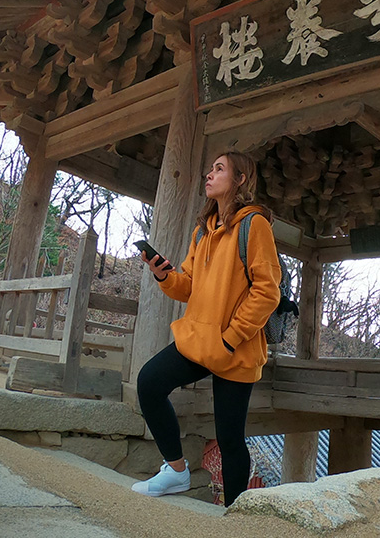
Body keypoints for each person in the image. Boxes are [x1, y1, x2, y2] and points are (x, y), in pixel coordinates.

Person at [133, 151, 282, 507]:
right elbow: (188, 285)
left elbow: (268, 291)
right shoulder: (204, 229)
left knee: (230, 438)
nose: (209, 174)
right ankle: (176, 470)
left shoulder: (254, 224)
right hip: (200, 338)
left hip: (235, 346)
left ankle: (236, 516)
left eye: (219, 169)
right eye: (209, 168)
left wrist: (231, 338)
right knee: (149, 383)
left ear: (241, 179)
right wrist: (163, 274)